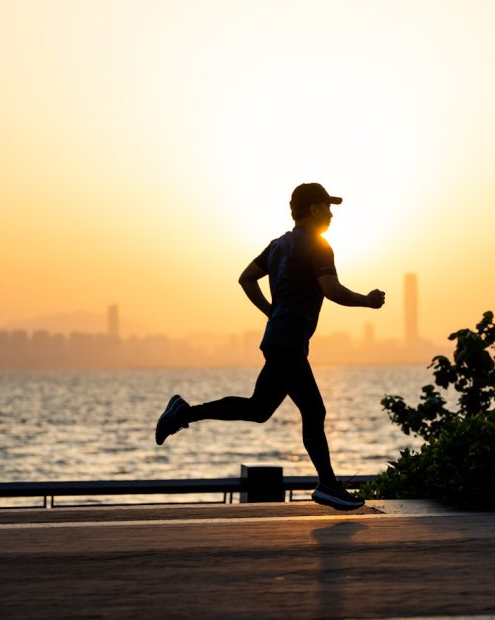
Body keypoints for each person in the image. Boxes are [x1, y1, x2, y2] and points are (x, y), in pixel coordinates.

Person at [155, 182, 386, 511]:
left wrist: (271, 312)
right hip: (288, 341)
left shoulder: (278, 245)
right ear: (315, 208)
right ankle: (328, 485)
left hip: (279, 338)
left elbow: (246, 278)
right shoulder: (319, 246)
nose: (332, 214)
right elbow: (331, 289)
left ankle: (184, 412)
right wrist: (367, 301)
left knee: (266, 409)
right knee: (297, 410)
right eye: (328, 206)